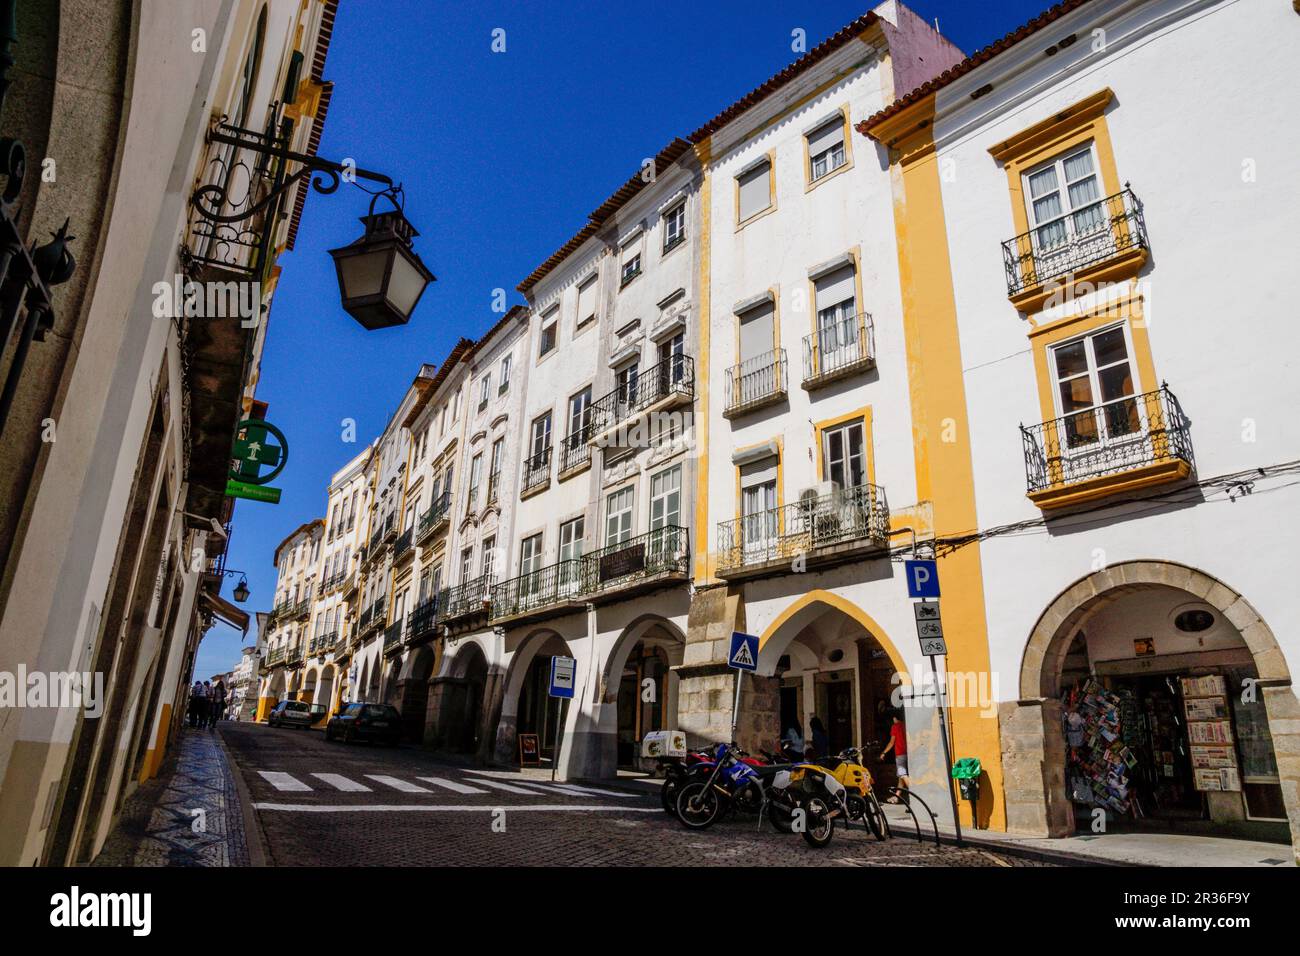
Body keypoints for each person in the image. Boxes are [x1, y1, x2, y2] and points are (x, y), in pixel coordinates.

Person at [879, 712, 909, 802]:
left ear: (894, 718)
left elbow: (892, 742)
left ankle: (916, 794)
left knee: (903, 775)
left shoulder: (895, 727)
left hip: (900, 754)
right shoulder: (906, 724)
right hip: (909, 753)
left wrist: (884, 752)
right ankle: (896, 797)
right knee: (901, 778)